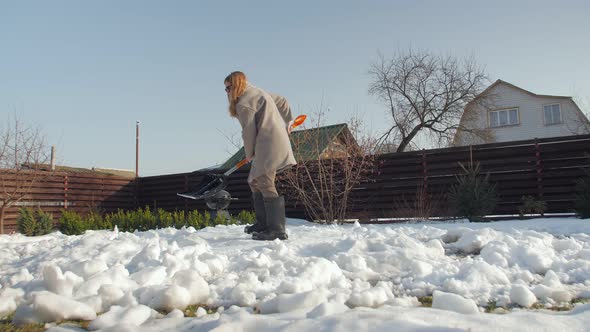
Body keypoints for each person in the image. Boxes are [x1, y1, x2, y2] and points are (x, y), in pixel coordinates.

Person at [224, 71, 296, 240]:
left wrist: (249, 154)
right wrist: (289, 121)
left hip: (267, 143)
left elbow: (248, 132)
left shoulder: (243, 103)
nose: (227, 92)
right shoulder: (257, 92)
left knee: (264, 180)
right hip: (270, 140)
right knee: (253, 181)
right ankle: (263, 223)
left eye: (228, 88)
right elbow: (282, 101)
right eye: (225, 89)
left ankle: (277, 230)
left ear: (237, 85)